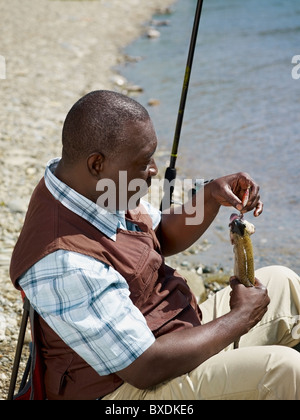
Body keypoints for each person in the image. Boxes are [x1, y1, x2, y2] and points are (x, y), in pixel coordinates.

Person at [10, 90, 300, 400]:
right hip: (127, 388)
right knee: (284, 370)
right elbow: (145, 367)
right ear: (97, 164)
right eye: (143, 161)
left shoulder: (88, 185)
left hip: (171, 339)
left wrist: (211, 195)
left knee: (284, 283)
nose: (154, 170)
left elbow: (160, 234)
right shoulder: (64, 260)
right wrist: (241, 317)